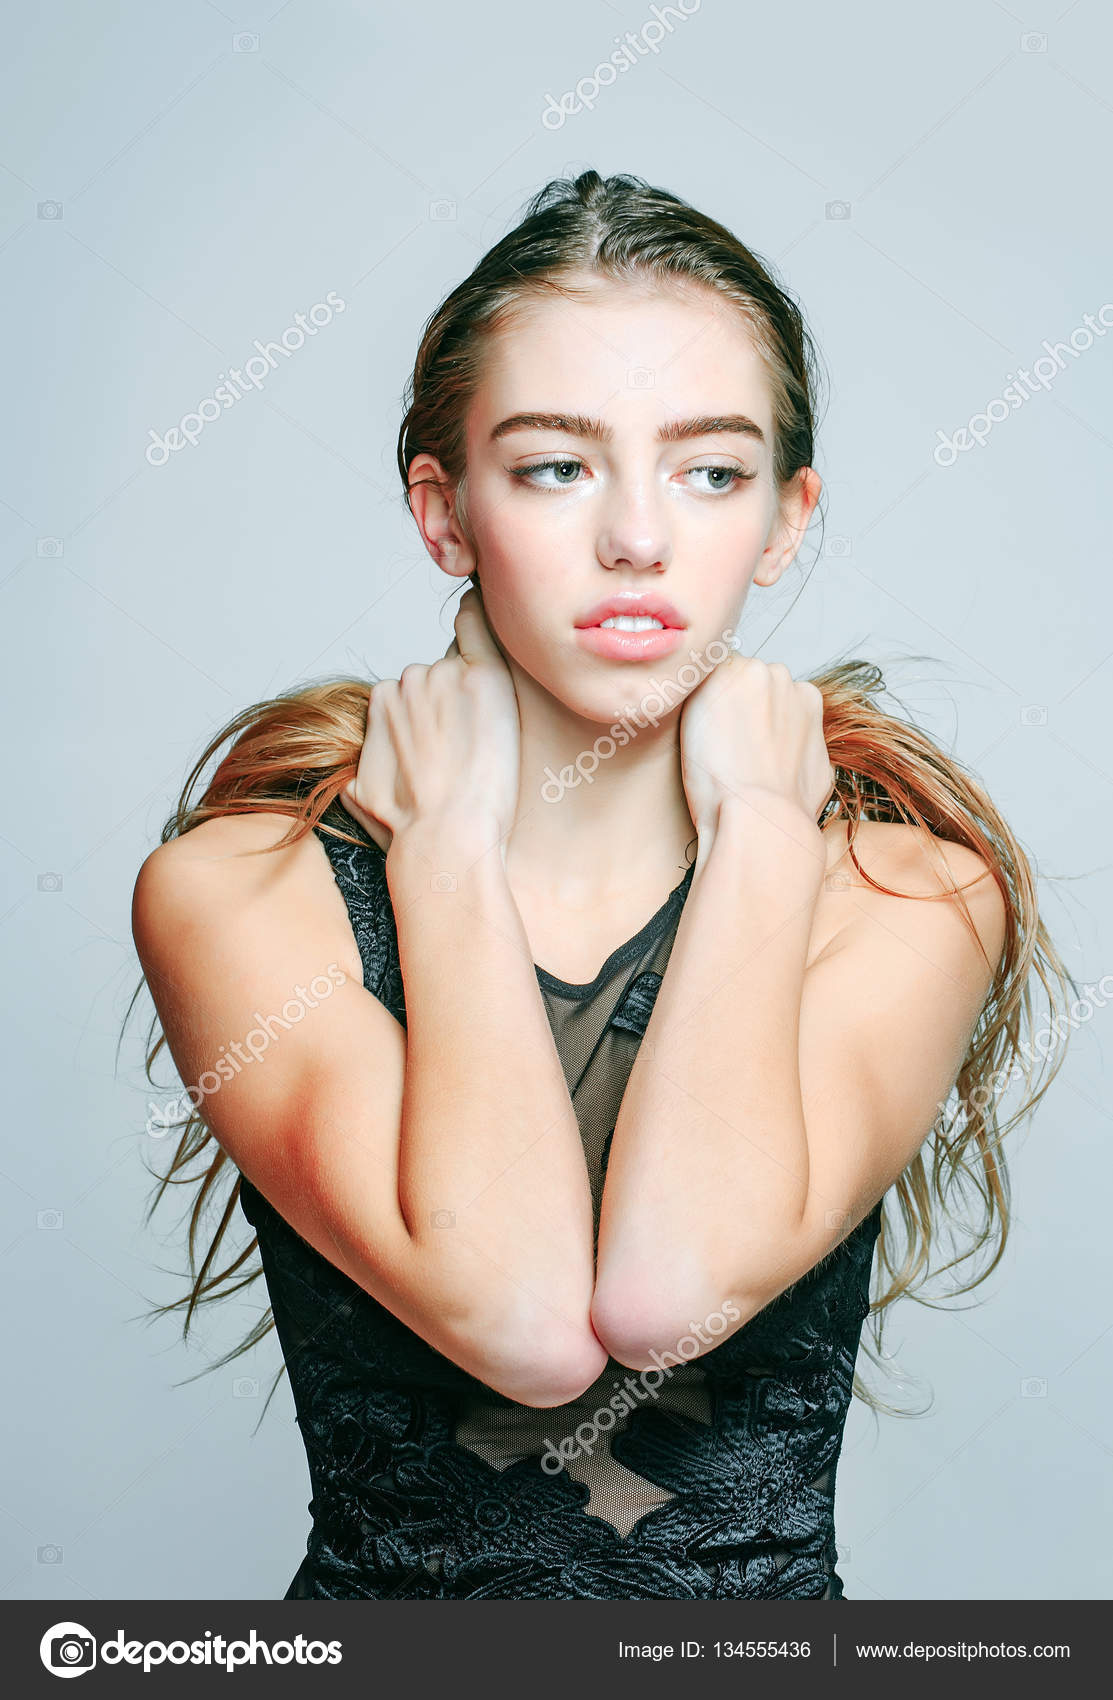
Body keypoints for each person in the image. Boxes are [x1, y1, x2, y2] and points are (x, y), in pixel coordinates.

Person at [128, 170, 1074, 1600]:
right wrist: (440, 855)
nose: (636, 538)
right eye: (556, 465)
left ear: (784, 518)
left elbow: (661, 1300)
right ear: (443, 515)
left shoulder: (901, 892)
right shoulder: (242, 891)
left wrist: (763, 828)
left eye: (708, 470)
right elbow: (517, 1320)